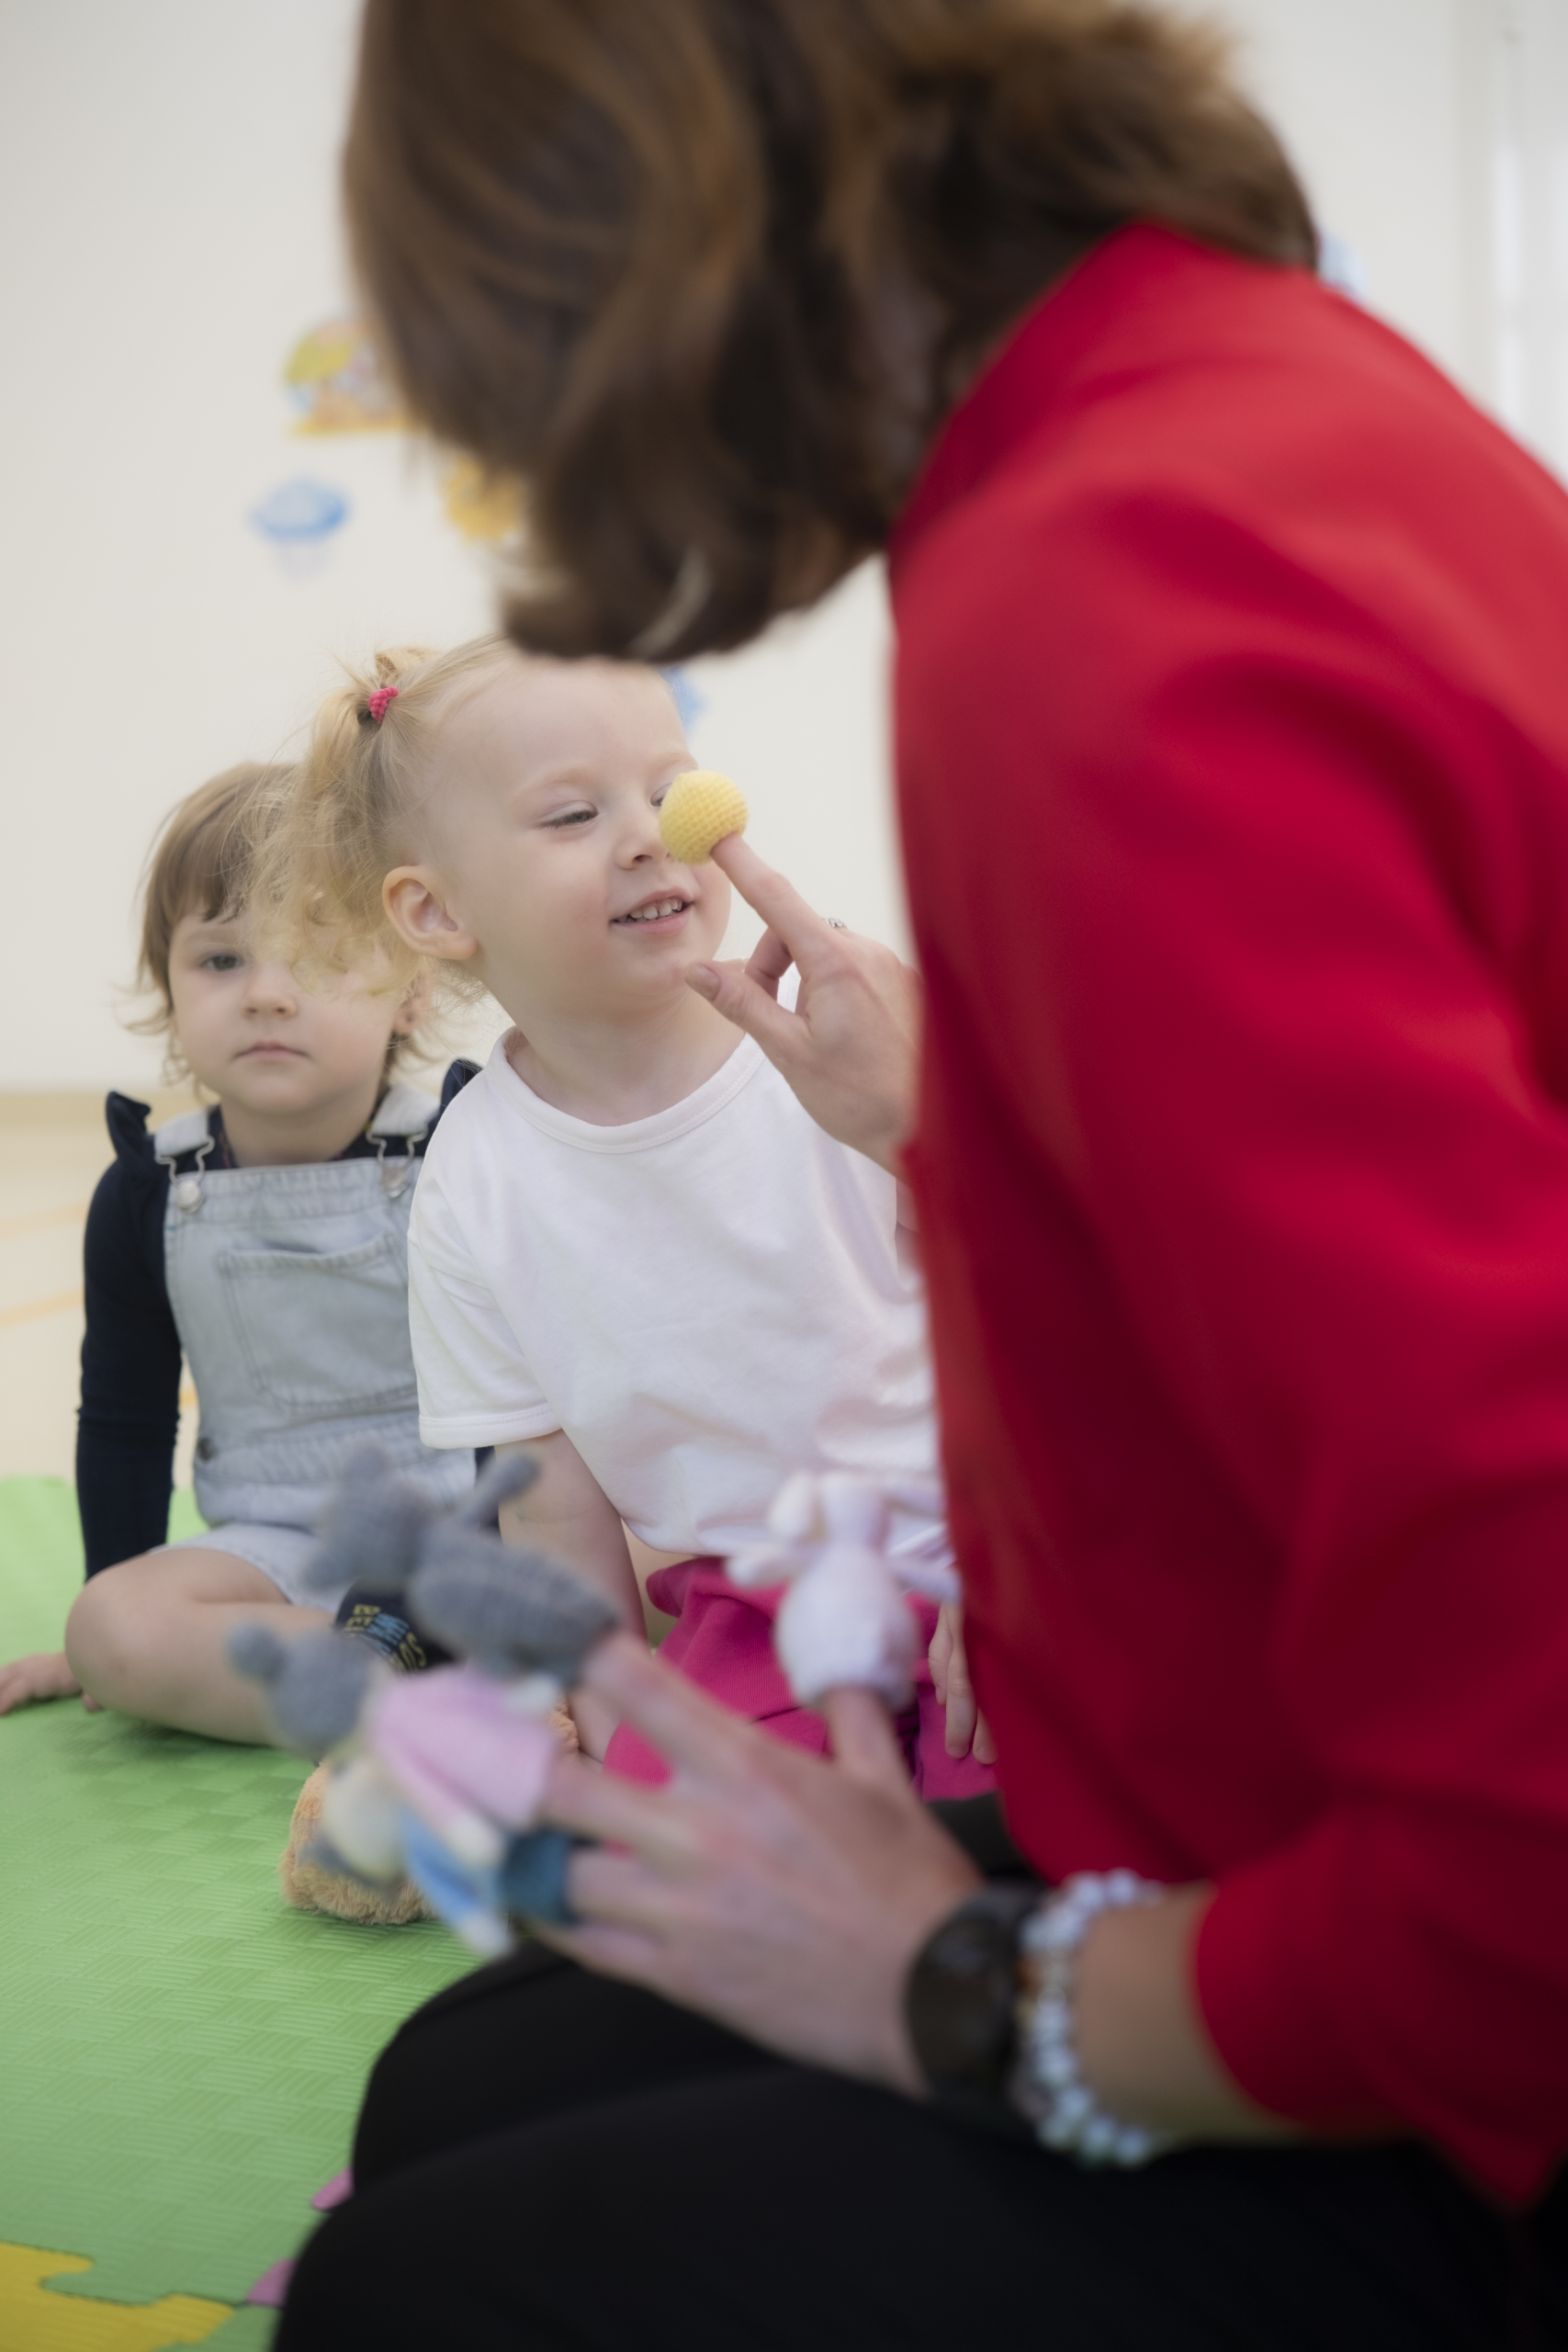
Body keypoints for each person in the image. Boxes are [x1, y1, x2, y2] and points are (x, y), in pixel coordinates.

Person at [279, 0, 1568, 2344]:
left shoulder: (1087, 590)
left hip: (1426, 2013)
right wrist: (942, 1133)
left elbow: (1519, 1856)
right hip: (1234, 1823)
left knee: (403, 2284)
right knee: (454, 2080)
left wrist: (963, 1990)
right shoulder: (1244, 391)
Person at [264, 635, 994, 1790]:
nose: (654, 833)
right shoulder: (470, 1183)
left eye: (667, 788)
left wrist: (1010, 1553)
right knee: (684, 1814)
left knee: (1044, 1794)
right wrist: (612, 1737)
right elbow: (553, 1514)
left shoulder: (836, 1040)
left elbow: (1016, 1309)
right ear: (436, 910)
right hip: (754, 1613)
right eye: (572, 814)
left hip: (981, 1548)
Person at [0, 761, 472, 1742]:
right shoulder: (146, 1193)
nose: (265, 995)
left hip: (469, 1528)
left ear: (414, 990)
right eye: (220, 960)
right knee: (114, 1628)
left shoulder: (463, 1159)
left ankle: (399, 1671)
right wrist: (108, 1614)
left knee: (656, 1558)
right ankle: (423, 1687)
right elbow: (125, 1422)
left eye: (318, 955)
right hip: (277, 1556)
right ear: (168, 990)